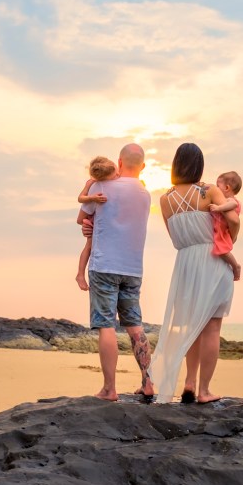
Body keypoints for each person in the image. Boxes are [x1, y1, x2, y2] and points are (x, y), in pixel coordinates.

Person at [150, 143, 238, 404]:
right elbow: (232, 218)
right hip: (211, 258)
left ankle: (188, 382)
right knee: (211, 327)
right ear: (199, 165)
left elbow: (174, 238)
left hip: (185, 262)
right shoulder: (208, 190)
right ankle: (204, 390)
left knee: (191, 325)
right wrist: (231, 239)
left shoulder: (165, 200)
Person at [80, 143, 154, 402]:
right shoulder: (146, 194)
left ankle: (110, 389)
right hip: (133, 268)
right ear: (142, 166)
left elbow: (83, 217)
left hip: (104, 265)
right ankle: (148, 383)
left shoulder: (100, 186)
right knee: (135, 324)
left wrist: (88, 225)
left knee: (106, 325)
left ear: (119, 162)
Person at [75, 156, 118, 291]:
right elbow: (80, 199)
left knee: (89, 244)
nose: (117, 175)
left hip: (96, 216)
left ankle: (80, 274)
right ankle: (80, 274)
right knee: (89, 245)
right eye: (114, 175)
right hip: (92, 218)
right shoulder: (93, 185)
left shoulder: (113, 176)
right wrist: (92, 197)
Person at [209, 170, 243, 280]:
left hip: (223, 230)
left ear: (227, 188)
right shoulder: (225, 200)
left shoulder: (230, 200)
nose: (216, 189)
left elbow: (233, 204)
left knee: (222, 251)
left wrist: (218, 208)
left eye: (218, 186)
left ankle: (235, 266)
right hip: (221, 229)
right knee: (220, 249)